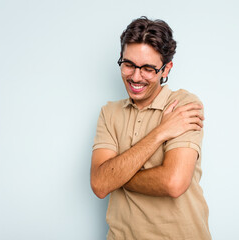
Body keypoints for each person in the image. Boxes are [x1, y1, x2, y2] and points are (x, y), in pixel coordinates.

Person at [90, 16, 211, 239]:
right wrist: (161, 132)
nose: (136, 77)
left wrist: (116, 175)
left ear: (166, 69)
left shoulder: (184, 106)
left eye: (148, 68)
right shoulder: (109, 112)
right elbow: (99, 185)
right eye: (129, 65)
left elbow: (173, 182)